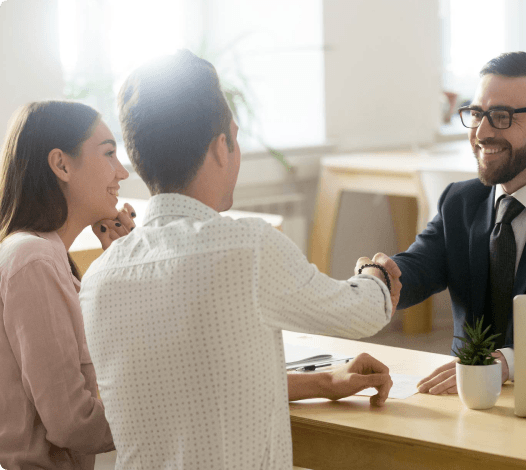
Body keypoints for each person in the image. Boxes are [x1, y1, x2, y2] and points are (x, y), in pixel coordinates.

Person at [79, 49, 402, 469]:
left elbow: (197, 385)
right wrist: (375, 273)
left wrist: (323, 380)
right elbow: (363, 313)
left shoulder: (99, 277)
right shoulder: (247, 247)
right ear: (221, 145)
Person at [367, 51, 526, 395]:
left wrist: (508, 362)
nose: (481, 132)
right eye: (475, 114)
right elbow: (418, 266)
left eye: (501, 116)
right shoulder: (460, 201)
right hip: (464, 399)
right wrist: (379, 278)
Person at [0, 101, 136, 469]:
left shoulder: (45, 258)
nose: (121, 172)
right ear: (61, 164)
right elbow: (72, 422)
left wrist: (120, 270)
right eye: (109, 154)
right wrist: (165, 413)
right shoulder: (34, 260)